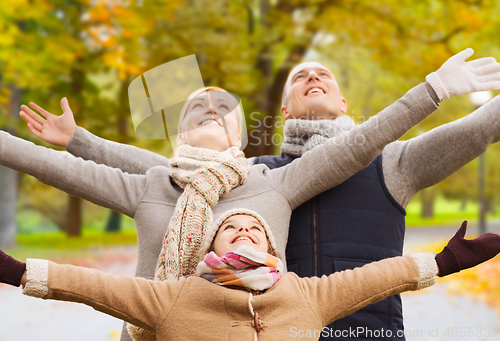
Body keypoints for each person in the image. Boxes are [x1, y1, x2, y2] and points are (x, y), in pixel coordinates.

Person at [16, 48, 500, 340]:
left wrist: (437, 88)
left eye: (324, 74)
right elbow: (153, 172)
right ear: (284, 111)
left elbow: (458, 131)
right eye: (300, 77)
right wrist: (81, 141)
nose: (313, 77)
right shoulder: (250, 176)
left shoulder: (378, 163)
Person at [1, 209, 499, 340]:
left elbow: (379, 277)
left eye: (252, 229)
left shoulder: (305, 293)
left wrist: (448, 261)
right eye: (230, 229)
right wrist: (15, 271)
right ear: (211, 247)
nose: (242, 232)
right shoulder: (173, 298)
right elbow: (90, 285)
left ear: (270, 248)